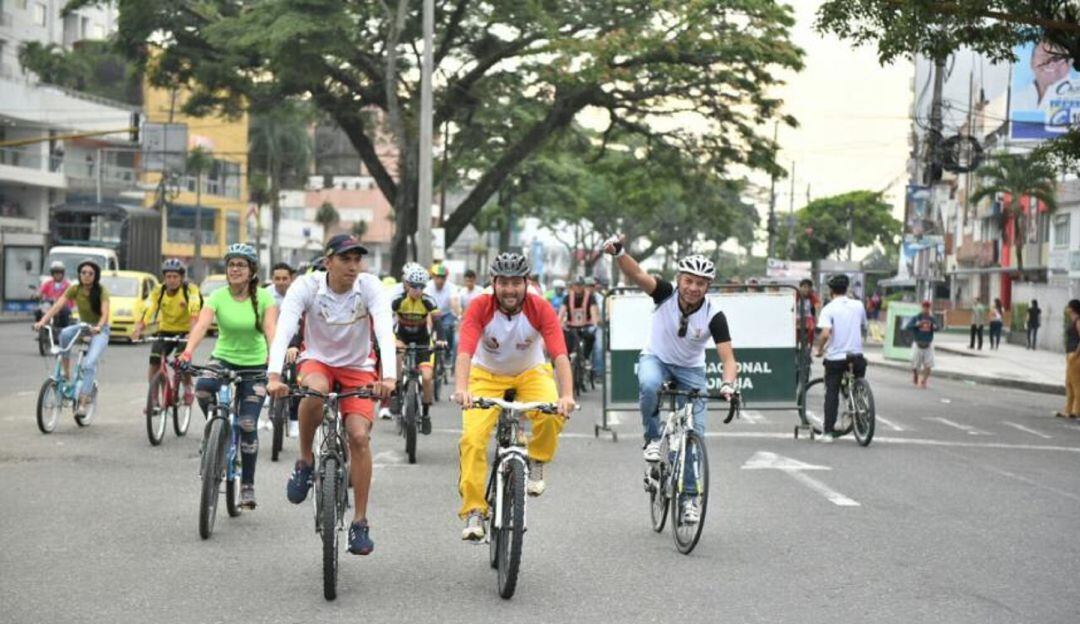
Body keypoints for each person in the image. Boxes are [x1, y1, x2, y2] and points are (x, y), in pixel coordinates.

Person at [267, 234, 396, 556]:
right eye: (345, 260)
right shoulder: (306, 287)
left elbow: (383, 329)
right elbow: (284, 328)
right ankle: (305, 461)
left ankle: (360, 522)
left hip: (359, 366)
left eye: (357, 260)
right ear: (328, 262)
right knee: (315, 390)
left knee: (359, 437)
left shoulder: (369, 287)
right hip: (318, 361)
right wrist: (273, 376)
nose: (353, 267)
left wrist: (390, 377)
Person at [602, 235, 736, 524]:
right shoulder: (664, 293)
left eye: (700, 283)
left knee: (693, 437)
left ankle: (689, 499)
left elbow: (728, 359)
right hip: (657, 359)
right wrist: (620, 252)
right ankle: (651, 438)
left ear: (707, 287)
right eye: (688, 281)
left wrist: (728, 384)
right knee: (649, 384)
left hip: (691, 371)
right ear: (679, 280)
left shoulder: (714, 314)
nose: (693, 288)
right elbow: (637, 274)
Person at [452, 252, 576, 541]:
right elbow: (465, 352)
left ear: (526, 283)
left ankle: (537, 459)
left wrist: (567, 395)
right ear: (494, 283)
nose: (510, 289)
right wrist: (462, 389)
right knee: (472, 440)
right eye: (503, 283)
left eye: (516, 283)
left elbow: (559, 354)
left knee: (553, 413)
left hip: (529, 372)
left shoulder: (539, 307)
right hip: (485, 376)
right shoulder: (480, 305)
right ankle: (474, 510)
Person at [179, 243, 278, 509]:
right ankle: (215, 429)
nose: (235, 269)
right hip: (222, 359)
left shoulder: (265, 298)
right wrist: (188, 352)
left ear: (252, 271)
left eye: (241, 265)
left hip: (254, 365)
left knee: (247, 424)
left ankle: (247, 485)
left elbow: (271, 330)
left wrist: (275, 363)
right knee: (202, 389)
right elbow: (201, 325)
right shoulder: (218, 297)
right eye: (231, 265)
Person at [33, 259, 111, 416]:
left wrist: (98, 327)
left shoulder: (101, 290)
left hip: (100, 330)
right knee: (64, 334)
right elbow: (58, 305)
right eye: (83, 273)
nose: (87, 276)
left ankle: (82, 403)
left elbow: (105, 313)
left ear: (95, 276)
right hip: (83, 326)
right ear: (79, 274)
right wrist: (42, 321)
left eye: (90, 273)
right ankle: (67, 373)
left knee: (89, 364)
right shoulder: (75, 289)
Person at [132, 259, 201, 408]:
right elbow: (148, 309)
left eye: (175, 277)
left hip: (185, 332)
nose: (171, 280)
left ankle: (188, 387)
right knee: (155, 361)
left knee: (181, 362)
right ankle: (154, 397)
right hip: (165, 330)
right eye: (168, 276)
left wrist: (192, 333)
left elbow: (194, 312)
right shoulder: (159, 290)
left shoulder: (190, 289)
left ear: (182, 277)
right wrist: (139, 328)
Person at [813, 274, 868, 442]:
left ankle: (828, 432)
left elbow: (825, 333)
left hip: (836, 358)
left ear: (831, 291)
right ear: (847, 289)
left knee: (832, 392)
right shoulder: (858, 305)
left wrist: (819, 349)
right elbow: (863, 325)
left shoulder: (828, 309)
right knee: (859, 385)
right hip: (856, 356)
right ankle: (861, 418)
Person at [391, 264, 441, 434]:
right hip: (402, 338)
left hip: (422, 341)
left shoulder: (428, 301)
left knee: (427, 378)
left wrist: (440, 340)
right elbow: (384, 319)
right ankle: (397, 392)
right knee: (397, 355)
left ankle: (426, 415)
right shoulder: (397, 300)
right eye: (413, 286)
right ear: (406, 284)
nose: (417, 290)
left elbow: (438, 323)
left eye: (421, 287)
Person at [559, 276, 600, 371]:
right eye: (576, 285)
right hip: (571, 327)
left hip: (586, 326)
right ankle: (568, 361)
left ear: (583, 286)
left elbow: (593, 312)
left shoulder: (590, 297)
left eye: (580, 285)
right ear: (572, 286)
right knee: (566, 341)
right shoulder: (567, 297)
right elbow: (561, 314)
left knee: (591, 337)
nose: (578, 288)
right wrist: (558, 324)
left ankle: (586, 358)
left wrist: (594, 325)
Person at [424, 263, 461, 369]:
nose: (440, 280)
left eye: (443, 277)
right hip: (432, 313)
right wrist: (429, 325)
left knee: (447, 328)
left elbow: (454, 302)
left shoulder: (451, 287)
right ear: (433, 276)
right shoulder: (427, 286)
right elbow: (425, 306)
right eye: (437, 277)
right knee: (428, 330)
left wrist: (459, 315)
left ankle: (448, 352)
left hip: (446, 314)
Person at [905, 301, 940, 388]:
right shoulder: (917, 318)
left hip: (928, 344)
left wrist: (934, 327)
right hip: (918, 344)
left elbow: (938, 327)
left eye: (927, 307)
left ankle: (924, 381)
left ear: (929, 308)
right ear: (922, 307)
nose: (926, 309)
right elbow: (908, 326)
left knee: (929, 364)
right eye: (924, 307)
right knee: (914, 364)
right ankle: (915, 375)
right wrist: (917, 325)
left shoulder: (932, 319)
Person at [1058, 300, 1080, 419]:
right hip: (1070, 355)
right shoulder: (1072, 320)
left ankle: (1076, 410)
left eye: (1068, 307)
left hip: (1075, 357)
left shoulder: (1078, 321)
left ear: (1072, 308)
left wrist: (1076, 354)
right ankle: (1069, 409)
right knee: (1069, 383)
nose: (1067, 309)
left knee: (1077, 384)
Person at [36, 260, 73, 329]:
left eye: (59, 273)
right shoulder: (48, 283)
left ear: (63, 274)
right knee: (38, 311)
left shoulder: (67, 285)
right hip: (49, 305)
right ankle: (40, 327)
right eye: (55, 273)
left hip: (62, 306)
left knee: (65, 313)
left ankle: (63, 329)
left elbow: (71, 296)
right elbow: (40, 292)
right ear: (52, 274)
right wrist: (37, 295)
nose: (57, 275)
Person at [797, 278, 820, 346]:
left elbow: (817, 304)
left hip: (808, 317)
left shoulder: (811, 296)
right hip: (797, 317)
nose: (807, 289)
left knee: (811, 328)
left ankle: (809, 345)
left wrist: (817, 311)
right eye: (804, 287)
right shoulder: (796, 295)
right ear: (800, 287)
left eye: (809, 287)